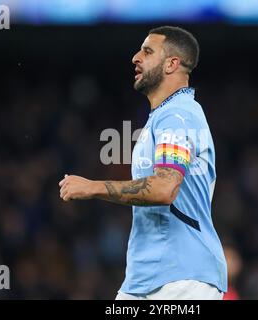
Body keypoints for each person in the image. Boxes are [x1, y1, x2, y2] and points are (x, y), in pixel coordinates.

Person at [59, 26, 227, 300]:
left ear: (173, 63)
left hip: (181, 279)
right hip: (146, 278)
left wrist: (93, 187)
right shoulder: (164, 116)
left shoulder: (178, 115)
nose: (135, 57)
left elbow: (164, 189)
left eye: (147, 51)